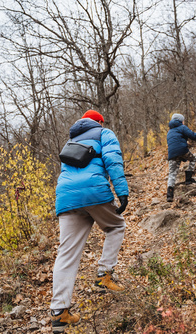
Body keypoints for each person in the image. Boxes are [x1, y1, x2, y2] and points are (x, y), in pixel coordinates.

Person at [50, 110, 129, 333]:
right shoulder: (104, 133)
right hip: (94, 192)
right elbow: (113, 161)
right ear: (100, 121)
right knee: (116, 226)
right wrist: (122, 192)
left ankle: (60, 313)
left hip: (66, 197)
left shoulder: (71, 140)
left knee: (66, 253)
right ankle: (104, 275)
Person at [166, 113, 196, 202]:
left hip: (172, 154)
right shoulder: (182, 127)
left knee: (172, 173)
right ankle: (188, 179)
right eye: (183, 120)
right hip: (182, 150)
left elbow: (174, 144)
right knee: (193, 159)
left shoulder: (169, 132)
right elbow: (194, 136)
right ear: (180, 120)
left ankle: (169, 195)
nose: (183, 121)